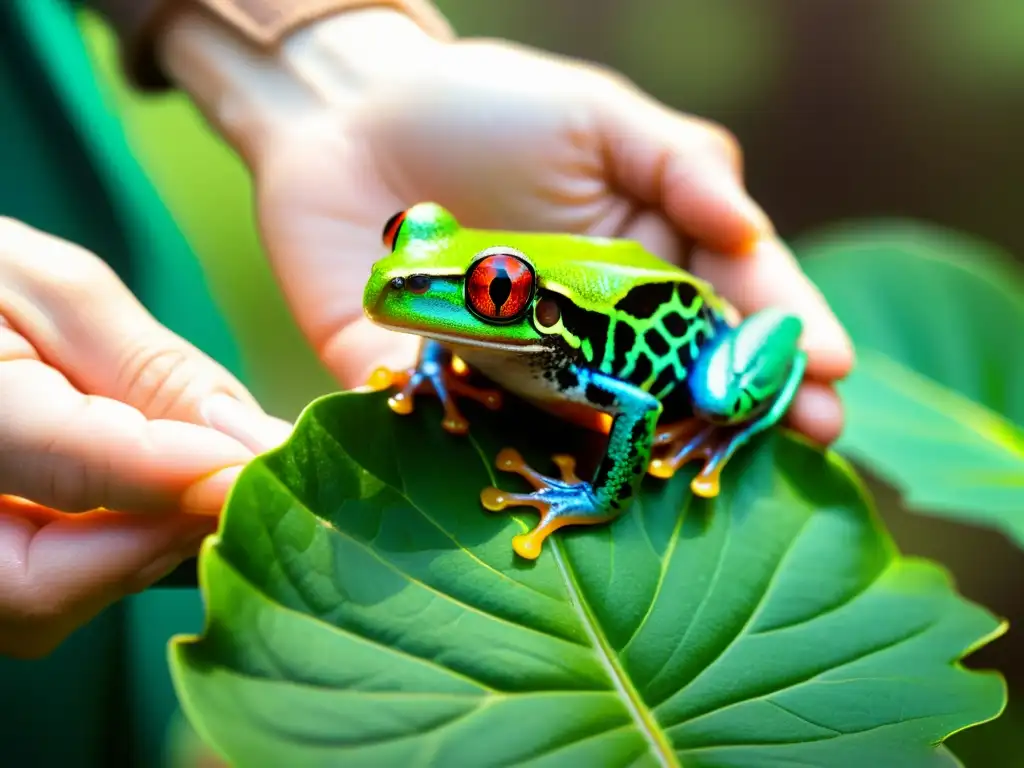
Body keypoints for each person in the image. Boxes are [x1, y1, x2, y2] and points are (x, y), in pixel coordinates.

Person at [1, 0, 854, 748]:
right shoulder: (478, 325)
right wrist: (448, 356)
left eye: (489, 290)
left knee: (710, 395)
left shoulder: (568, 357)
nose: (401, 282)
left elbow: (631, 404)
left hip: (692, 339)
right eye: (403, 238)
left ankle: (722, 416)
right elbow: (447, 306)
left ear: (523, 302)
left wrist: (338, 73)